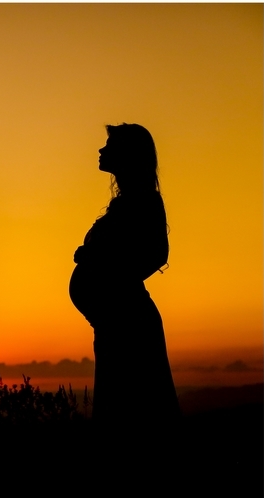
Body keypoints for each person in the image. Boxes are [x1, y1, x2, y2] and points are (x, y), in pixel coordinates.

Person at [69, 123, 180, 426]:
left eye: (109, 146)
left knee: (135, 409)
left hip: (129, 321)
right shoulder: (125, 203)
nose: (101, 150)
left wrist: (99, 263)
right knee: (119, 406)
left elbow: (155, 254)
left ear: (128, 154)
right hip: (114, 322)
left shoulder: (145, 201)